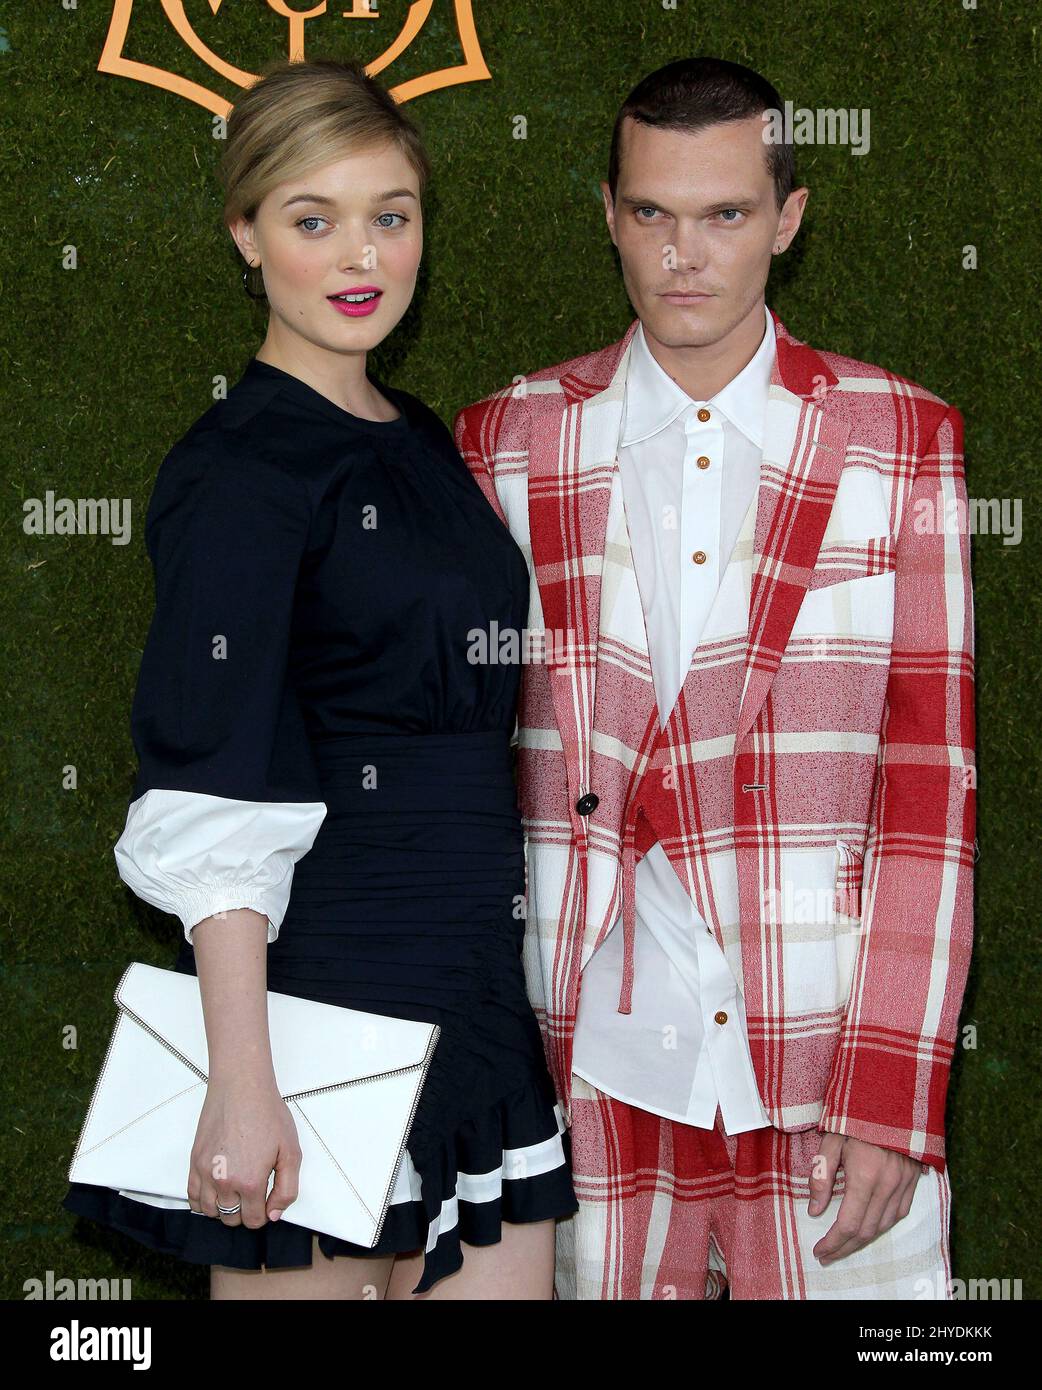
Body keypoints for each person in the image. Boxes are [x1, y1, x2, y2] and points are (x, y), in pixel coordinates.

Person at [455, 56, 975, 1300]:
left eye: (725, 214)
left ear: (787, 219)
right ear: (609, 214)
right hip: (577, 1059)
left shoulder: (901, 439)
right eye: (652, 214)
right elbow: (460, 773)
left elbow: (929, 784)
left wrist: (896, 1089)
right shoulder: (506, 440)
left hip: (820, 1048)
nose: (684, 255)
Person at [62, 56, 578, 1301]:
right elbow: (213, 770)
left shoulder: (423, 440)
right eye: (313, 218)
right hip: (315, 1009)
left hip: (473, 995)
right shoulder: (239, 468)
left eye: (389, 215)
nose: (362, 254)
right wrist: (243, 1084)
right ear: (246, 234)